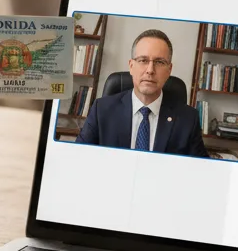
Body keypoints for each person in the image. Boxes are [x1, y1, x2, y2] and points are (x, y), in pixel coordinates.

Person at [76, 29, 209, 157]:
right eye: (143, 60)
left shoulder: (188, 119)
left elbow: (201, 170)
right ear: (131, 66)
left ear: (169, 70)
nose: (150, 70)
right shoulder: (101, 110)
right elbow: (78, 157)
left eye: (159, 62)